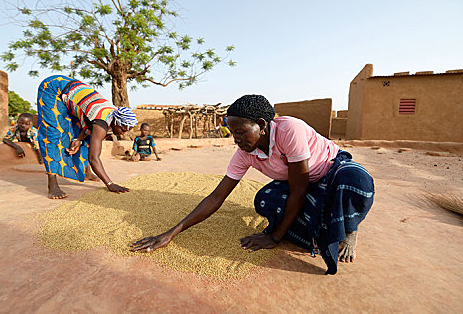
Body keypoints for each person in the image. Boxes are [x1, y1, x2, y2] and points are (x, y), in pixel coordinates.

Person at [131, 95, 374, 275]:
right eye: (232, 133)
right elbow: (216, 198)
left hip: (329, 173)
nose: (236, 139)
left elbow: (299, 190)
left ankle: (349, 229)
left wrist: (275, 237)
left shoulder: (290, 129)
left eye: (240, 132)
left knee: (355, 180)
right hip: (301, 183)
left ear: (262, 124)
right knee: (264, 200)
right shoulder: (245, 152)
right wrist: (171, 234)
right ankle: (321, 226)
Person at [37, 75, 138, 199]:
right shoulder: (102, 122)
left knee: (88, 138)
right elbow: (93, 158)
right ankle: (52, 185)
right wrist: (110, 184)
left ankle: (86, 172)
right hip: (54, 88)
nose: (123, 133)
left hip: (72, 89)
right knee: (53, 134)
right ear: (116, 122)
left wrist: (78, 139)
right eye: (122, 129)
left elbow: (88, 121)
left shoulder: (113, 114)